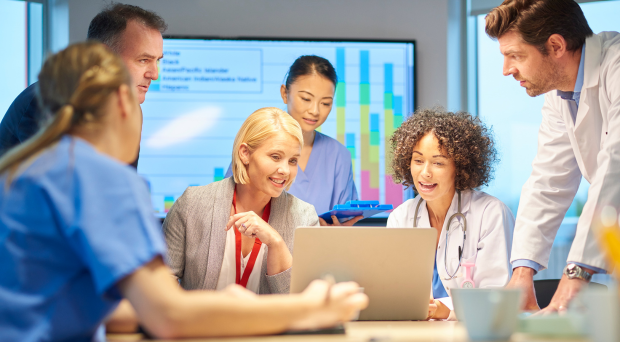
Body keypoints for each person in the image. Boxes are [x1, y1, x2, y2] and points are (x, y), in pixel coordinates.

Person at [0, 42, 367, 341]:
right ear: (125, 106)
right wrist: (311, 310)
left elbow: (93, 308)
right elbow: (168, 316)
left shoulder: (20, 176)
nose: (285, 171)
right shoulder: (103, 180)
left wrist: (221, 307)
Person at [485, 0, 620, 313]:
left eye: (515, 56)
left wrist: (576, 272)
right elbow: (548, 180)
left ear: (556, 45)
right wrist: (522, 273)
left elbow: (614, 167)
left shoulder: (616, 66)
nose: (506, 70)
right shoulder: (561, 95)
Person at [165, 107, 320, 294]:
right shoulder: (192, 204)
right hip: (203, 324)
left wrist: (276, 243)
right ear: (245, 153)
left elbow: (304, 303)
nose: (285, 170)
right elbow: (160, 286)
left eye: (293, 161)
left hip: (269, 324)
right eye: (275, 157)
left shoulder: (305, 217)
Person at [0, 3, 165, 168]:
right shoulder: (49, 101)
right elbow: (61, 189)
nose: (154, 74)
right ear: (103, 56)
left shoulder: (128, 110)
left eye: (157, 61)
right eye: (143, 60)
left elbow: (120, 186)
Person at [386, 108, 514, 320]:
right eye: (418, 160)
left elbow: (496, 295)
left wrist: (447, 312)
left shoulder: (490, 214)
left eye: (438, 163)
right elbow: (394, 290)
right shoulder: (400, 218)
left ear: (460, 166)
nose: (425, 172)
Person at [226, 56, 361, 225]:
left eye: (325, 103)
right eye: (306, 99)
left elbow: (341, 221)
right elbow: (229, 211)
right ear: (285, 93)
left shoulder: (338, 155)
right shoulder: (256, 144)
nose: (314, 111)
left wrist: (335, 233)